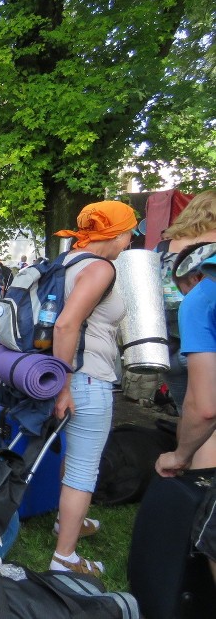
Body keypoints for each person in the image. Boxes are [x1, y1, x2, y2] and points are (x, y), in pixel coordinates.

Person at [47, 200, 136, 576]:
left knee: (74, 455)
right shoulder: (100, 268)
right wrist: (63, 386)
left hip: (67, 376)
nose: (131, 241)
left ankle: (68, 522)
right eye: (130, 232)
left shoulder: (67, 260)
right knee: (84, 467)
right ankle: (65, 557)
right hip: (85, 377)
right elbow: (65, 326)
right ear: (115, 234)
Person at [156, 249, 216, 584]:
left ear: (195, 276)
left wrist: (178, 456)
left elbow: (205, 407)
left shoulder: (203, 296)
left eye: (182, 288)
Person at [155, 190, 216, 410]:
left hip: (170, 349)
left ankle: (186, 446)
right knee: (208, 419)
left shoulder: (161, 248)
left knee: (188, 414)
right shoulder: (212, 247)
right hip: (207, 344)